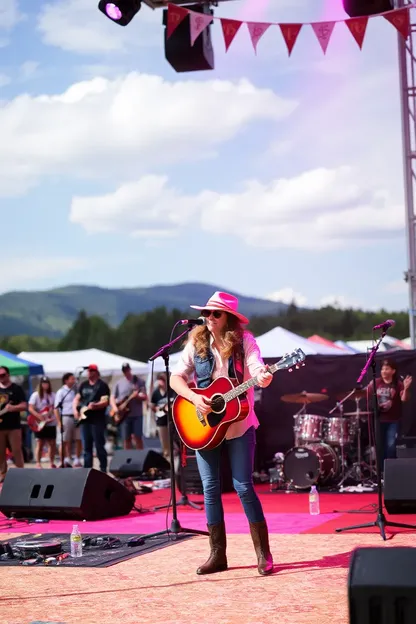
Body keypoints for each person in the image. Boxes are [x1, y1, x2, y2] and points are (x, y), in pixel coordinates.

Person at [170, 291, 274, 576]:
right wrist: (193, 397)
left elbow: (256, 367)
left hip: (239, 424)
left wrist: (263, 374)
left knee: (243, 487)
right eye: (207, 313)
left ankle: (263, 554)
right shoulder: (196, 341)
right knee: (210, 490)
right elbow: (175, 377)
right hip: (205, 425)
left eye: (215, 313)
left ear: (228, 318)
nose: (209, 318)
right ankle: (217, 555)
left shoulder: (245, 342)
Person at [366, 358, 412, 461]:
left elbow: (404, 399)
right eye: (382, 369)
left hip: (393, 421)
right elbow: (366, 396)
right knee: (379, 447)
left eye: (387, 369)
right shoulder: (375, 383)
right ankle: (381, 472)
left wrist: (406, 388)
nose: (383, 371)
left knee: (391, 446)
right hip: (378, 420)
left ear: (393, 371)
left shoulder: (398, 384)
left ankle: (389, 471)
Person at [72, 364, 110, 472]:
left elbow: (105, 401)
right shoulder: (83, 385)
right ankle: (87, 471)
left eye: (91, 371)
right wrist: (75, 410)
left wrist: (96, 406)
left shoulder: (102, 385)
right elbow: (77, 398)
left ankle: (103, 469)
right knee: (86, 447)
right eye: (88, 371)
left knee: (99, 446)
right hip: (85, 420)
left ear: (96, 372)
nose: (89, 372)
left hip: (97, 420)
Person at [110, 363, 147, 450]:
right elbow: (112, 397)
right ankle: (128, 457)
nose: (126, 372)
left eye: (127, 370)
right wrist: (115, 408)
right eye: (124, 370)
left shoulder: (138, 381)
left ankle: (140, 456)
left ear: (130, 369)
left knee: (138, 437)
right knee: (126, 438)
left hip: (137, 414)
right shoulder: (119, 383)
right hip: (124, 416)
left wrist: (137, 396)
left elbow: (145, 396)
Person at [0, 366, 27, 482]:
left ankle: (20, 474)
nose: (1, 377)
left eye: (3, 375)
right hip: (0, 427)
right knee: (0, 452)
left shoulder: (16, 388)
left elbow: (24, 406)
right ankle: (3, 475)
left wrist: (13, 408)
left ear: (8, 374)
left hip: (13, 426)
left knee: (16, 450)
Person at [54, 372, 82, 467]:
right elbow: (56, 408)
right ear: (66, 380)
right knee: (65, 440)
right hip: (65, 416)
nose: (74, 381)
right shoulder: (61, 392)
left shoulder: (76, 391)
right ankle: (66, 458)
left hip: (76, 417)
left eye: (74, 379)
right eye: (72, 379)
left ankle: (77, 459)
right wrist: (58, 422)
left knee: (78, 438)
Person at [28, 376, 57, 469]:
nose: (45, 385)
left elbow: (55, 408)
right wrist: (38, 416)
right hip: (39, 422)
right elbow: (30, 408)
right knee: (40, 443)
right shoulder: (35, 395)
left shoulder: (53, 395)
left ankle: (52, 462)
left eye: (47, 383)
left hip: (50, 422)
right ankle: (38, 463)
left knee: (52, 443)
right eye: (43, 383)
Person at [150, 373, 170, 460]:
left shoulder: (170, 391)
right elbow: (151, 405)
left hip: (170, 419)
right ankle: (167, 461)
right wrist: (156, 408)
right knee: (164, 443)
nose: (160, 382)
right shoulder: (155, 392)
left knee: (173, 443)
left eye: (162, 379)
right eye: (159, 379)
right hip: (161, 420)